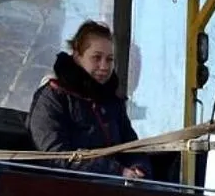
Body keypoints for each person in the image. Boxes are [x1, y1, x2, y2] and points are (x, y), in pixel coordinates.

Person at [28, 20, 149, 178]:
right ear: (78, 56)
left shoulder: (112, 103)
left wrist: (138, 168)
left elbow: (131, 147)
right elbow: (54, 155)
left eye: (109, 59)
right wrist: (117, 172)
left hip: (115, 190)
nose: (104, 66)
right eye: (96, 58)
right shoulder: (52, 97)